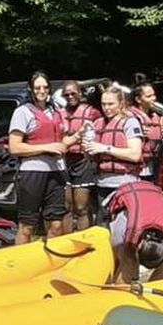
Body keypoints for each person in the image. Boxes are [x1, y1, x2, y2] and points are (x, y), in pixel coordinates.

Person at [9, 72, 74, 244]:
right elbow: (14, 147)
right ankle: (19, 264)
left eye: (45, 87)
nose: (42, 91)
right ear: (31, 89)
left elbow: (62, 143)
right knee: (27, 226)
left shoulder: (57, 112)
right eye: (37, 87)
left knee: (56, 225)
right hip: (32, 172)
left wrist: (79, 136)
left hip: (56, 171)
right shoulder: (22, 112)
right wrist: (46, 147)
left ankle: (50, 263)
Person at [106, 180, 163, 283]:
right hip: (129, 193)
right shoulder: (123, 228)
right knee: (126, 258)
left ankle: (157, 286)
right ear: (139, 245)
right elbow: (116, 257)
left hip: (153, 194)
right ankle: (124, 289)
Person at [85, 86, 144, 206]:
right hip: (102, 183)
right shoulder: (97, 123)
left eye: (111, 104)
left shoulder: (130, 122)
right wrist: (87, 147)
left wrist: (105, 148)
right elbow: (89, 157)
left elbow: (135, 154)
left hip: (125, 183)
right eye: (103, 104)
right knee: (103, 223)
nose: (106, 108)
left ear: (121, 103)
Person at [60, 80, 102, 231]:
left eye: (73, 93)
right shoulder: (59, 114)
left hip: (83, 163)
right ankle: (67, 242)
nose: (70, 96)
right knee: (66, 207)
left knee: (81, 207)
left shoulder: (92, 113)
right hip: (64, 162)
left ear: (80, 93)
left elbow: (101, 135)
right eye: (67, 94)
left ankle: (84, 241)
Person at [131, 80, 163, 182]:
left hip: (152, 166)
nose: (153, 99)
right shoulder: (129, 117)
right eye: (148, 96)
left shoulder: (156, 117)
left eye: (153, 95)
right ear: (138, 99)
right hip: (135, 169)